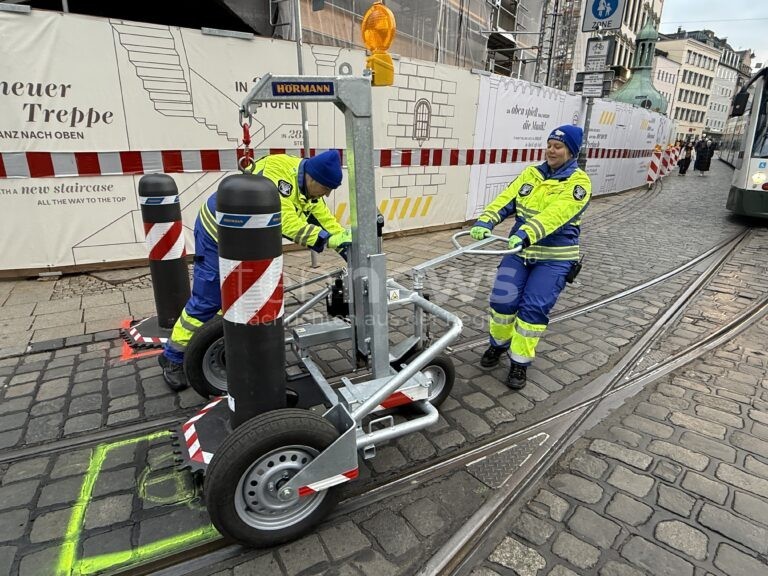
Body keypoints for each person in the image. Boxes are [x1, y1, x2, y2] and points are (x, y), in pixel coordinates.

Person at [159, 150, 351, 390]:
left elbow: (323, 219)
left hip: (248, 239)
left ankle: (238, 345)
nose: (327, 194)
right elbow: (286, 222)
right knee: (209, 299)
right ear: (313, 178)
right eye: (326, 188)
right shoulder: (277, 177)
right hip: (217, 234)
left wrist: (344, 243)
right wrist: (326, 240)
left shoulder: (309, 185)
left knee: (251, 297)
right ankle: (172, 357)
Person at [469, 125, 591, 389]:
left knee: (533, 309)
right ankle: (497, 346)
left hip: (554, 258)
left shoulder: (579, 183)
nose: (551, 150)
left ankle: (519, 363)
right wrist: (486, 221)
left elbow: (557, 215)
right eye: (549, 144)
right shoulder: (531, 174)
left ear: (571, 151)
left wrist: (525, 232)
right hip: (519, 251)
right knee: (502, 300)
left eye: (558, 146)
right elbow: (507, 199)